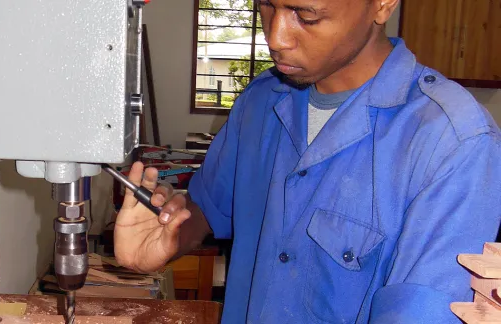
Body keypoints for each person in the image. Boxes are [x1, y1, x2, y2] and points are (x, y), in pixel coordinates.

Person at [113, 0, 501, 322]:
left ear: (382, 5)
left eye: (307, 15)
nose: (275, 37)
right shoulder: (261, 102)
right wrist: (168, 236)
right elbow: (209, 208)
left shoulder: (452, 143)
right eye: (265, 5)